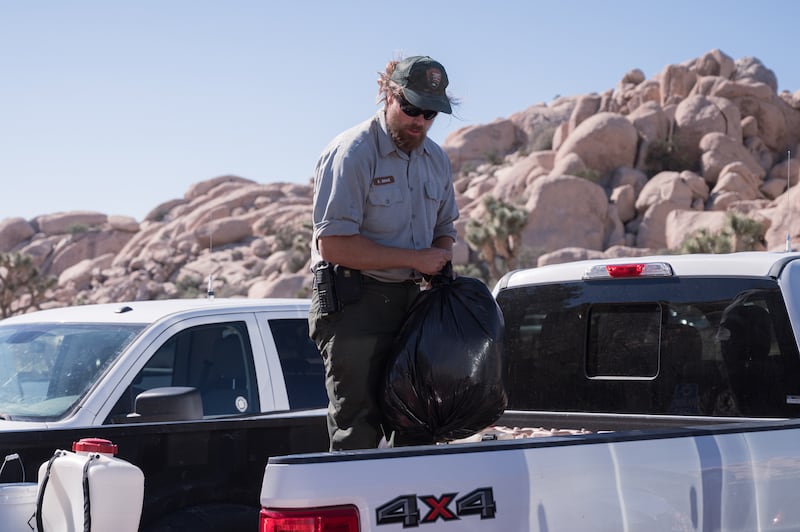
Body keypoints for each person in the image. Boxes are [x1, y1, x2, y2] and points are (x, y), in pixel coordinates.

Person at [308, 55, 459, 451]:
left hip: (413, 305)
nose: (420, 122)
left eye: (430, 114)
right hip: (355, 304)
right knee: (357, 427)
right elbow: (334, 244)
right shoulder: (353, 152)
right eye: (411, 108)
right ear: (388, 94)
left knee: (419, 425)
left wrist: (438, 262)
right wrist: (414, 260)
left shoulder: (437, 160)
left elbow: (445, 231)